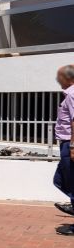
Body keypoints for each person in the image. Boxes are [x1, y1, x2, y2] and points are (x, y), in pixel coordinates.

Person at [55, 65, 74, 234]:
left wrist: (73, 146)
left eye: (59, 77)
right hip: (66, 143)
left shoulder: (72, 95)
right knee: (60, 179)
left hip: (70, 143)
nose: (57, 80)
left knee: (69, 181)